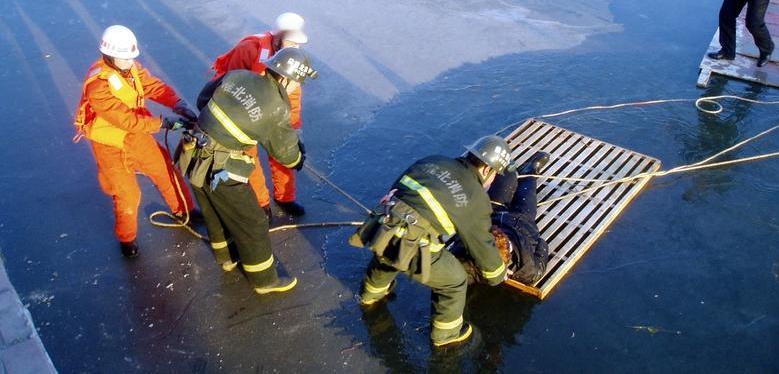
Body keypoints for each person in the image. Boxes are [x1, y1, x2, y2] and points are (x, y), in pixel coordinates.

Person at [351, 135, 513, 348]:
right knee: (454, 280)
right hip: (413, 241)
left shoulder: (433, 161)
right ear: (486, 170)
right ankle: (446, 335)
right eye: (494, 175)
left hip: (383, 224)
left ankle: (370, 293)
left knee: (388, 249)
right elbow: (482, 245)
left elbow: (398, 188)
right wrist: (498, 274)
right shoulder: (476, 199)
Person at [177, 47, 317, 294]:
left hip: (192, 153)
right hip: (219, 166)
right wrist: (298, 159)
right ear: (286, 78)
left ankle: (227, 258)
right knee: (252, 221)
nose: (297, 88)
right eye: (298, 83)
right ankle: (264, 280)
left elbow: (203, 99)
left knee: (213, 210)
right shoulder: (277, 108)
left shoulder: (238, 75)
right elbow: (285, 154)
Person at [73, 25, 200, 258]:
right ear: (110, 56)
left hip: (137, 136)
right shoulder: (98, 85)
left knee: (165, 171)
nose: (131, 62)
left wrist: (177, 103)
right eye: (125, 58)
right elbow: (126, 120)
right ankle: (127, 238)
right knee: (127, 194)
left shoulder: (129, 68)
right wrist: (164, 123)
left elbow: (152, 86)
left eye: (132, 57)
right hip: (110, 144)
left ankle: (185, 211)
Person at [211, 12, 309, 217]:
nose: (295, 48)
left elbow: (293, 98)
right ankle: (261, 202)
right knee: (249, 157)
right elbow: (231, 81)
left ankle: (285, 197)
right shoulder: (249, 49)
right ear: (276, 37)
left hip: (272, 109)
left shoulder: (293, 62)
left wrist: (294, 130)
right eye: (290, 42)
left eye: (297, 44)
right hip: (246, 110)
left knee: (283, 152)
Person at [452, 151, 550, 287]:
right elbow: (542, 245)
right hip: (522, 222)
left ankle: (509, 169)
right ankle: (530, 171)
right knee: (527, 193)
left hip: (494, 213)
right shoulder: (527, 269)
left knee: (506, 177)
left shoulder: (465, 247)